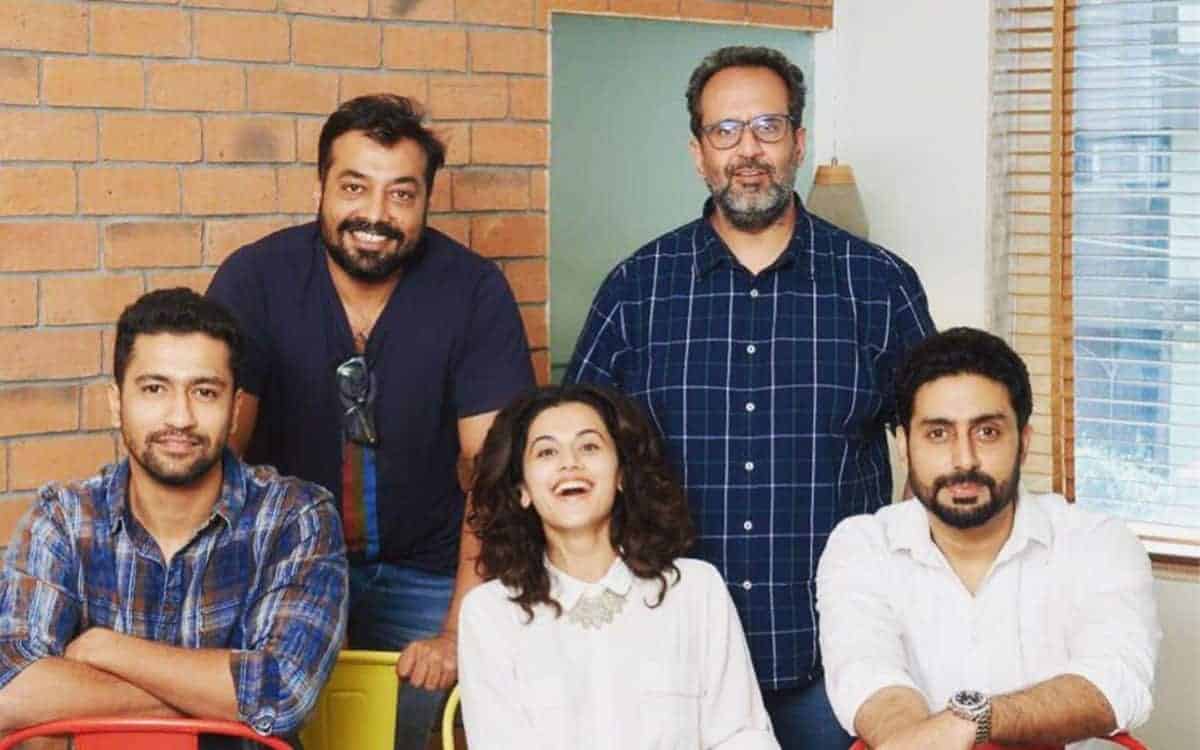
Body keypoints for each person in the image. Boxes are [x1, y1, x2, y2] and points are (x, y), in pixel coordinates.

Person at [565, 45, 934, 748]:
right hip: (667, 664)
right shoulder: (636, 288)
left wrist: (904, 584)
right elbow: (566, 458)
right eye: (725, 131)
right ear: (698, 153)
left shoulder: (879, 285)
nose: (748, 151)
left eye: (768, 126)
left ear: (799, 141)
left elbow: (939, 445)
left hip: (836, 664)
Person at [207, 94, 535, 748]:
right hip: (287, 567)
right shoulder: (256, 280)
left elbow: (493, 471)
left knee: (429, 726)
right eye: (355, 187)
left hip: (430, 572)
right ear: (321, 187)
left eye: (401, 194)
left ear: (426, 201)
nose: (376, 215)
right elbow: (218, 456)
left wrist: (457, 630)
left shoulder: (473, 291)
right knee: (259, 727)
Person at [0, 288, 348, 745]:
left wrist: (106, 649)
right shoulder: (63, 518)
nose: (180, 417)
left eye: (204, 392)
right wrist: (212, 702)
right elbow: (10, 689)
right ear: (116, 402)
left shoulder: (295, 518)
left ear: (235, 409)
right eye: (154, 388)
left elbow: (281, 695)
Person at [816, 327, 1161, 750]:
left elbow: (1115, 681)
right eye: (938, 433)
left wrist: (973, 722)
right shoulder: (861, 546)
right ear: (904, 445)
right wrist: (928, 737)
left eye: (987, 432)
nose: (964, 460)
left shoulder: (1100, 543)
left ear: (1024, 443)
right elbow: (867, 678)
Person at [458, 384, 779, 749]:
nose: (569, 463)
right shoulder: (490, 613)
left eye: (589, 446)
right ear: (522, 490)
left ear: (623, 474)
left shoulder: (695, 589)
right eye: (546, 451)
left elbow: (742, 734)